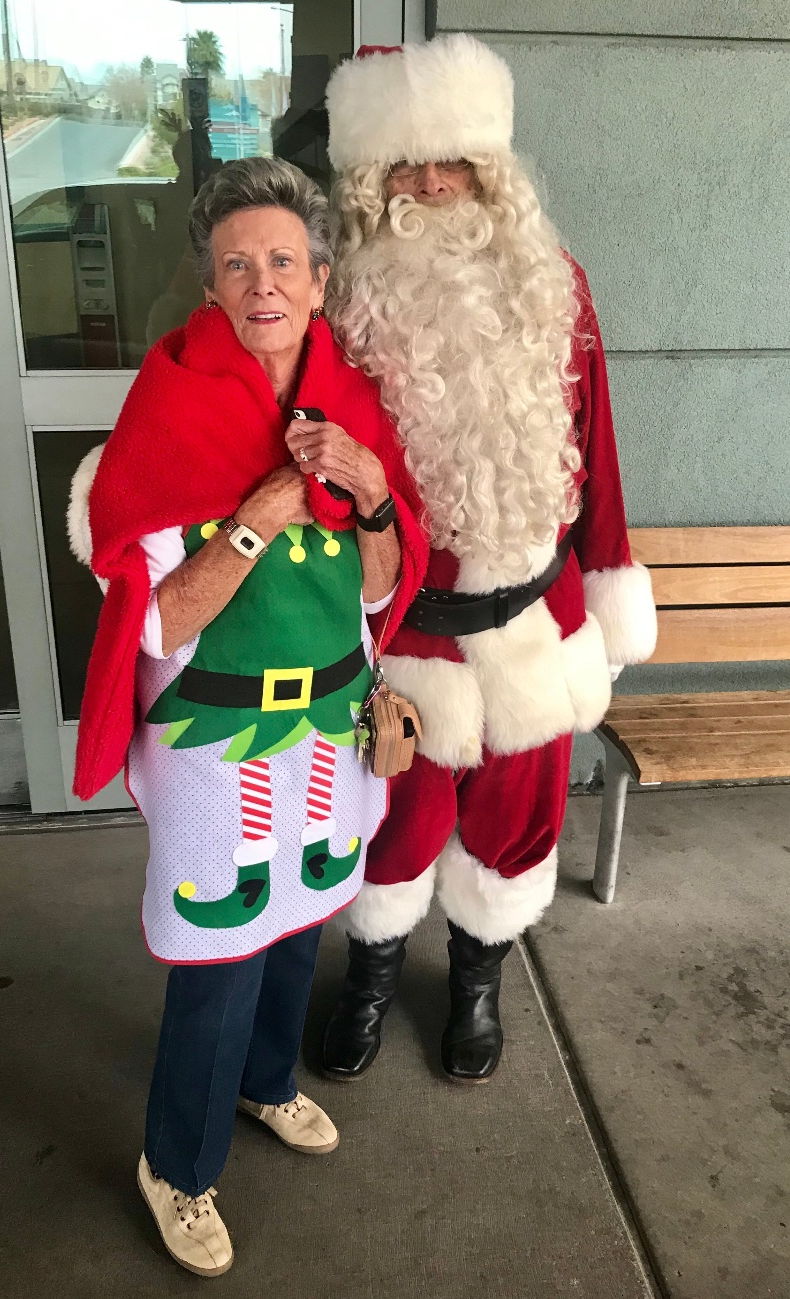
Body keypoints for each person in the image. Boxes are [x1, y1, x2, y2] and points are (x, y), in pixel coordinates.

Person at [67, 156, 427, 1277]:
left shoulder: (350, 402)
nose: (261, 283)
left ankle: (268, 1084)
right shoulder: (170, 406)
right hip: (214, 742)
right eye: (237, 264)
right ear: (211, 286)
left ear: (318, 280)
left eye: (282, 261)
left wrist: (369, 494)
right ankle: (176, 1163)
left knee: (298, 920)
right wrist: (261, 514)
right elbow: (162, 622)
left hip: (324, 724)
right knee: (218, 949)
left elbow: (375, 591)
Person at [319, 37, 658, 1086]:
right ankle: (371, 973)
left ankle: (475, 978)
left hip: (534, 621)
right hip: (406, 630)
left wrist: (608, 582)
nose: (427, 187)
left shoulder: (552, 285)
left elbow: (593, 445)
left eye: (451, 163)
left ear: (489, 173)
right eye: (404, 167)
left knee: (516, 826)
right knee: (391, 823)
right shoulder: (339, 303)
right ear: (371, 182)